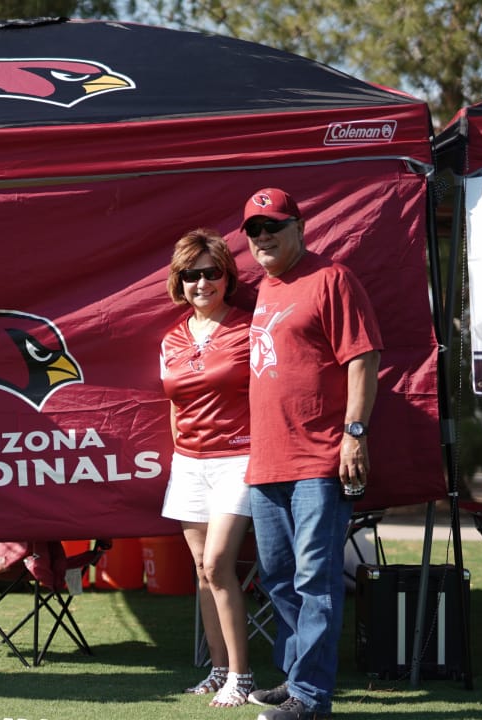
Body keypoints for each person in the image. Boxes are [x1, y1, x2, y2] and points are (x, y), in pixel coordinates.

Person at [239, 188, 381, 720]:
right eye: (254, 229)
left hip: (320, 460)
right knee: (277, 578)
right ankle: (297, 677)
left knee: (314, 579)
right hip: (266, 463)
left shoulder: (333, 278)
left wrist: (355, 432)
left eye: (273, 225)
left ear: (299, 227)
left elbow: (363, 359)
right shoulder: (265, 290)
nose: (264, 236)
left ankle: (311, 698)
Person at [159, 229, 256, 708]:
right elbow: (174, 404)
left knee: (218, 564)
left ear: (227, 277)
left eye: (211, 273)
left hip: (238, 460)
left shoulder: (249, 328)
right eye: (191, 275)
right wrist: (183, 452)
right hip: (189, 464)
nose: (202, 283)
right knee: (201, 571)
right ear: (180, 282)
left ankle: (243, 675)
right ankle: (219, 670)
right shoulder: (171, 337)